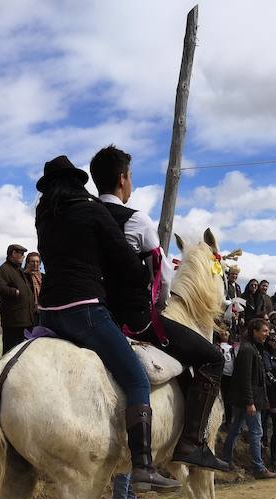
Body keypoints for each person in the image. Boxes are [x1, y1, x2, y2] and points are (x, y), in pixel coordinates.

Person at [34, 154, 178, 491]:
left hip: (47, 312)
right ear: (77, 182)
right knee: (137, 378)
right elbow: (126, 263)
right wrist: (142, 273)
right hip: (84, 310)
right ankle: (143, 465)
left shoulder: (44, 217)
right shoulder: (91, 209)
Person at [90, 144, 230, 473]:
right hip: (132, 320)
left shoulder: (84, 215)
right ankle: (192, 442)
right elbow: (164, 275)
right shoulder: (136, 220)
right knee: (212, 358)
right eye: (131, 176)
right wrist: (161, 303)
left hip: (89, 315)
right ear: (123, 179)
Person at [220, 319, 276, 479]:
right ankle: (258, 468)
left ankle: (226, 460)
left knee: (236, 429)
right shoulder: (248, 349)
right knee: (256, 432)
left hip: (247, 399)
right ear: (254, 331)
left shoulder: (253, 348)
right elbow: (245, 378)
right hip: (249, 400)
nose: (267, 334)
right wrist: (250, 402)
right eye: (265, 331)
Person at [0, 243, 36, 353]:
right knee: (10, 352)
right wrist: (15, 292)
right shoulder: (4, 269)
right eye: (21, 254)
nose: (23, 256)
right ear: (13, 253)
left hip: (25, 320)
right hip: (13, 321)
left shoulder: (20, 270)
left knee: (23, 353)